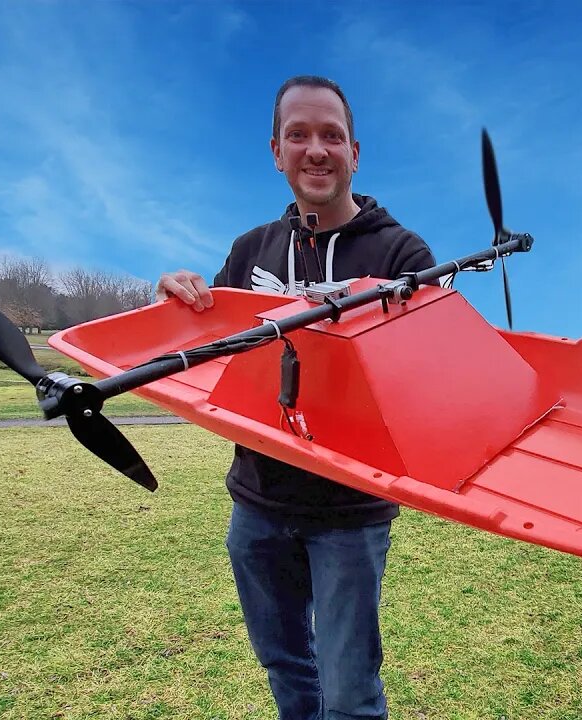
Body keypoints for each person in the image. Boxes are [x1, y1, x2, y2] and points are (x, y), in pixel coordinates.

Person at [155, 75, 437, 720]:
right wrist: (178, 300)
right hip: (256, 502)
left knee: (349, 693)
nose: (316, 149)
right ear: (276, 151)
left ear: (355, 153)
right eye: (299, 135)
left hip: (349, 513)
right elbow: (217, 349)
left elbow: (421, 381)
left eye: (331, 135)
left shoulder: (402, 253)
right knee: (285, 666)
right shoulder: (250, 249)